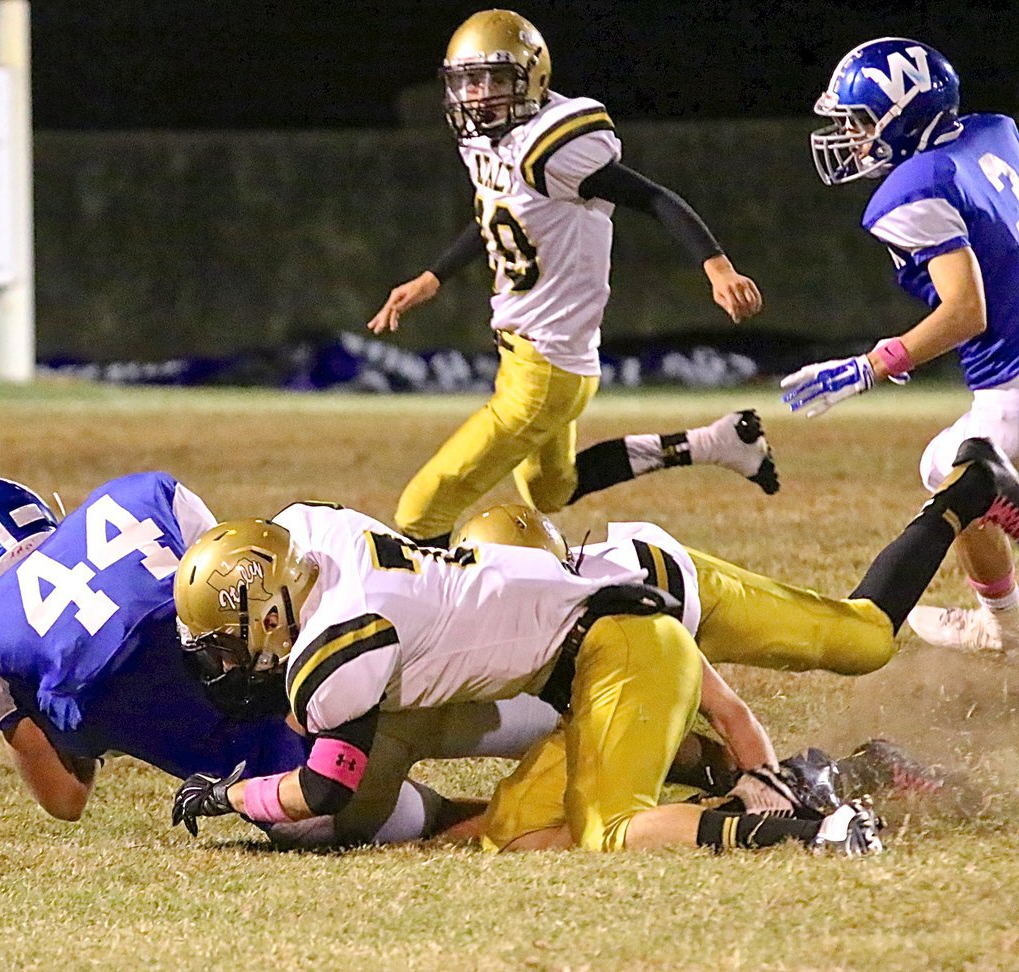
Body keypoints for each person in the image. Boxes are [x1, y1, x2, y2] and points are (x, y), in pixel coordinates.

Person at [177, 481, 1019, 854]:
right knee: (523, 836)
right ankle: (840, 775)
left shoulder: (343, 646)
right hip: (597, 654)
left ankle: (817, 827)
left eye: (226, 639)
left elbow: (324, 790)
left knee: (616, 827)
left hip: (642, 615)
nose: (224, 661)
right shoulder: (306, 533)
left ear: (276, 605)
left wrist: (226, 795)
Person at [0, 474, 558, 843]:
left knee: (446, 822)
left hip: (282, 779)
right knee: (520, 715)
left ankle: (563, 825)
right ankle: (629, 745)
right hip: (353, 673)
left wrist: (59, 713)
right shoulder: (140, 493)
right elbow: (245, 581)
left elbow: (66, 799)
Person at [367, 9, 772, 547]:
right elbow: (499, 212)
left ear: (531, 79)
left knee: (420, 511)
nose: (479, 95)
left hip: (545, 370)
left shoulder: (552, 145)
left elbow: (651, 196)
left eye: (494, 79)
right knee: (549, 492)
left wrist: (716, 265)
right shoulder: (492, 141)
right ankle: (715, 443)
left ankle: (436, 622)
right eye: (468, 82)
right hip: (539, 359)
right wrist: (434, 276)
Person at [449, 462, 1004, 850]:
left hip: (686, 597)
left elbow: (727, 708)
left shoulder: (605, 608)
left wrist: (768, 786)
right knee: (546, 816)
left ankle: (963, 494)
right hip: (625, 657)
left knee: (864, 641)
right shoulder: (486, 627)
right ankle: (845, 771)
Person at [783, 37, 1019, 655]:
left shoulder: (912, 190)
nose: (853, 137)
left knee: (955, 471)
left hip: (1013, 378)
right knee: (945, 461)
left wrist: (870, 366)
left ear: (905, 116)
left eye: (861, 121)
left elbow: (966, 312)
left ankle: (1007, 628)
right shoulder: (995, 132)